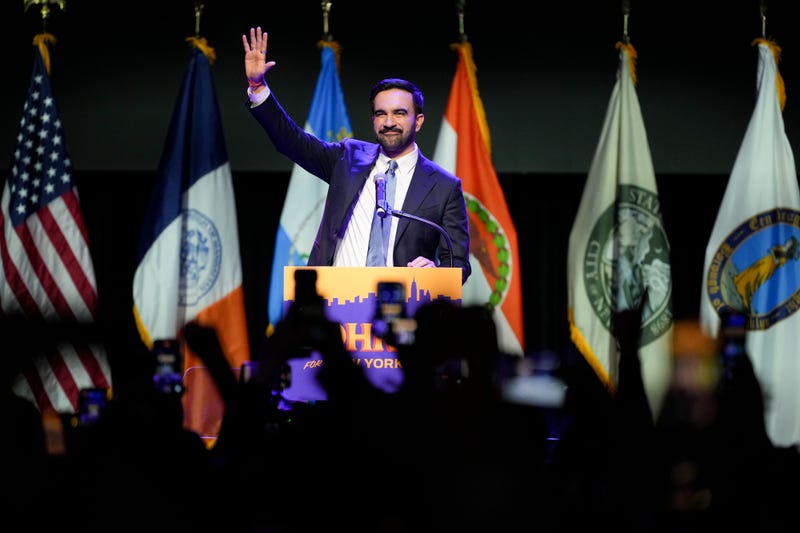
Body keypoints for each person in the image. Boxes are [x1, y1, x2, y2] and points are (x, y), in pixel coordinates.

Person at [242, 26, 471, 284]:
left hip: (400, 308)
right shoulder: (347, 158)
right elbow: (292, 141)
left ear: (418, 121)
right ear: (373, 120)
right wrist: (258, 86)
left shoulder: (444, 187)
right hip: (333, 302)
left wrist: (436, 273)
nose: (388, 122)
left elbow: (458, 263)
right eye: (380, 114)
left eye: (399, 113)